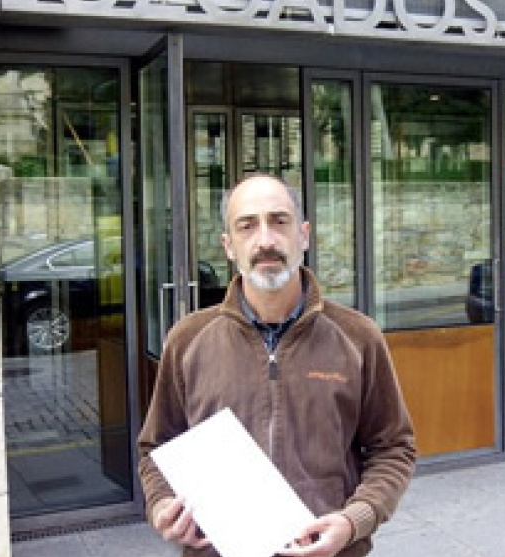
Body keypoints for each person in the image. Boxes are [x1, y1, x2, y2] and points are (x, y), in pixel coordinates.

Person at [138, 173, 416, 557]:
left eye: (279, 221)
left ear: (304, 235)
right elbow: (156, 447)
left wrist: (355, 520)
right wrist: (160, 506)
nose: (265, 240)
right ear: (229, 246)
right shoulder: (187, 340)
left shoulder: (358, 336)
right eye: (247, 226)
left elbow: (393, 448)